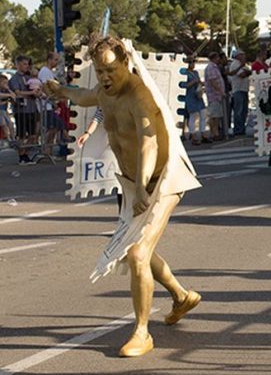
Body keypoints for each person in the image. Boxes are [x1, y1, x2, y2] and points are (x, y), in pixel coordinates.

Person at [44, 35, 201, 357]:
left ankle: (142, 332)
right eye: (99, 71)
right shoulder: (105, 91)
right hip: (134, 184)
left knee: (138, 254)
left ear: (126, 63)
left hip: (163, 180)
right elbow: (86, 96)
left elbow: (149, 142)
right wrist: (62, 91)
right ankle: (181, 296)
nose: (104, 77)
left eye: (110, 70)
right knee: (135, 249)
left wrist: (142, 187)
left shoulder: (139, 95)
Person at [9, 54, 39, 164]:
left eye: (27, 64)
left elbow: (34, 89)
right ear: (18, 65)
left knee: (33, 135)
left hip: (31, 109)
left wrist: (37, 92)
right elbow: (17, 92)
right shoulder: (14, 79)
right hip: (21, 110)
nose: (27, 66)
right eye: (24, 64)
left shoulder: (28, 78)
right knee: (21, 135)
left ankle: (25, 153)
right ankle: (21, 156)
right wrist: (31, 93)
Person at [227, 50, 252, 135]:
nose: (244, 56)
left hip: (244, 89)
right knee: (239, 110)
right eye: (242, 55)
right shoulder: (235, 64)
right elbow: (242, 75)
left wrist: (247, 72)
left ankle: (242, 128)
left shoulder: (244, 65)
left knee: (244, 110)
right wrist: (246, 72)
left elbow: (249, 72)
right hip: (238, 89)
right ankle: (237, 129)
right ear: (238, 56)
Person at [184, 57, 207, 145]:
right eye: (191, 62)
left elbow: (199, 82)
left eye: (193, 62)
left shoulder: (195, 72)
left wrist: (202, 84)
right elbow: (185, 85)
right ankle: (193, 135)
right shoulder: (185, 73)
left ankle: (203, 133)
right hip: (190, 96)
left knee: (203, 113)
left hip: (198, 95)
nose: (193, 64)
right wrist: (194, 81)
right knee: (192, 116)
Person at [204, 52, 226, 141]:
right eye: (217, 58)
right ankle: (215, 133)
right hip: (214, 95)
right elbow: (212, 81)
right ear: (214, 58)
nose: (219, 59)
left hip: (217, 96)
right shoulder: (211, 67)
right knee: (214, 116)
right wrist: (221, 91)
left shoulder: (214, 67)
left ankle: (215, 132)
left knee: (217, 115)